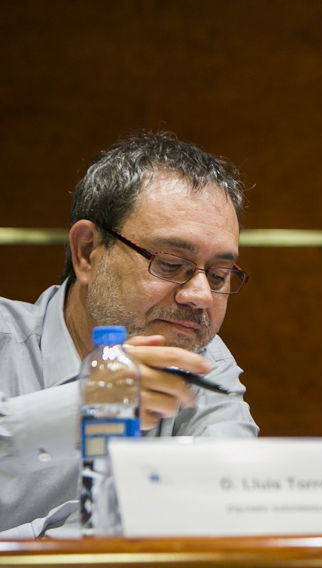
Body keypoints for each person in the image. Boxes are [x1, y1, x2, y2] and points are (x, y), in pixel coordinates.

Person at [0, 132, 258, 538]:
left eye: (220, 275)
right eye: (171, 264)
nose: (201, 296)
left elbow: (231, 507)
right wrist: (87, 409)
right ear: (87, 252)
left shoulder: (200, 354)